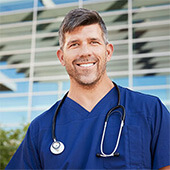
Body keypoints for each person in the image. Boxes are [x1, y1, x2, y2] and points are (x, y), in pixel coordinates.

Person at [6, 8, 170, 169]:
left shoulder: (150, 111)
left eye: (94, 42)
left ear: (108, 52)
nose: (85, 52)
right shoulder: (41, 129)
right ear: (62, 57)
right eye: (74, 44)